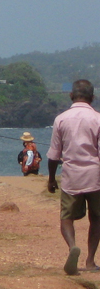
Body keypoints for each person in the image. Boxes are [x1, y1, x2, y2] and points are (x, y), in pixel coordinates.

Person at [46, 80, 100, 275]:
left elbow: (54, 155)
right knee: (97, 218)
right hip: (95, 176)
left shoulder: (61, 119)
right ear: (92, 98)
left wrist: (52, 178)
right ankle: (91, 261)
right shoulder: (98, 119)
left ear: (71, 96)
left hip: (71, 176)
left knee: (67, 217)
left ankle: (72, 248)